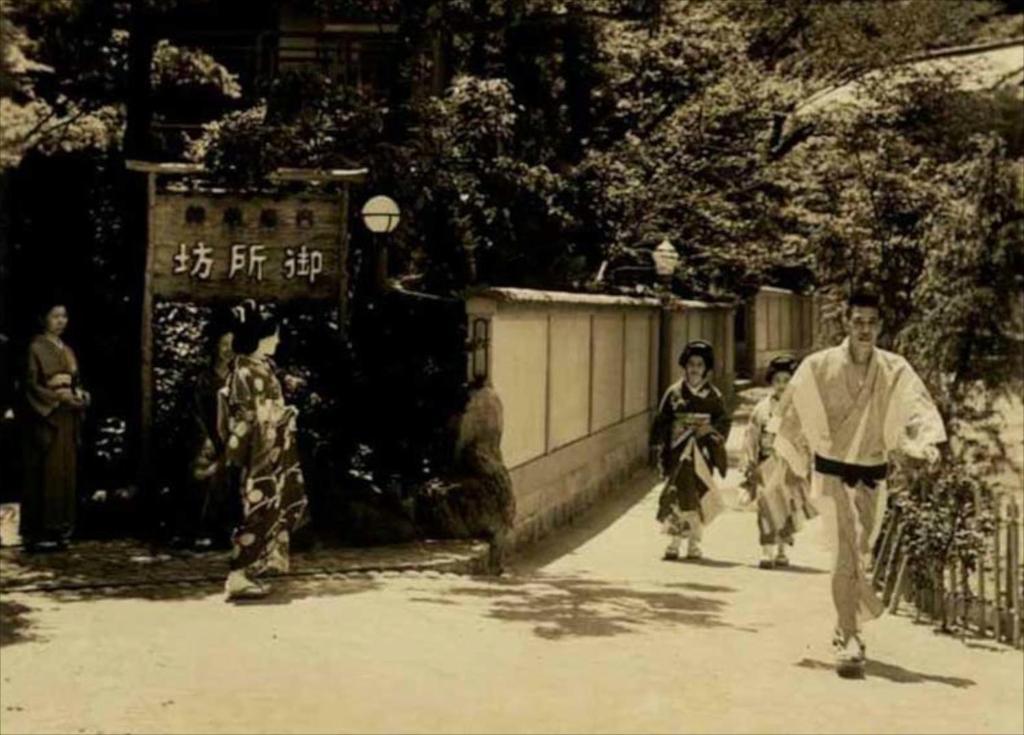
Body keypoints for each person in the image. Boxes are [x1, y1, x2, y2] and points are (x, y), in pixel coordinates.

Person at [768, 286, 945, 677]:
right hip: (831, 474)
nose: (864, 329)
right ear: (845, 322)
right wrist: (789, 460)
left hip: (872, 477)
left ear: (879, 325)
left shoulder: (895, 369)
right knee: (846, 553)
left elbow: (918, 409)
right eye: (857, 321)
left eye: (871, 322)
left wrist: (926, 444)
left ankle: (845, 623)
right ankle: (849, 639)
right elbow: (790, 415)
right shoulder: (819, 366)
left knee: (860, 555)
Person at [220, 301, 309, 600]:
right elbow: (249, 416)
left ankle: (251, 568)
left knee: (271, 506)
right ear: (260, 336)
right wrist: (281, 416)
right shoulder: (246, 371)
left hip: (269, 450)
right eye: (274, 335)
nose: (278, 340)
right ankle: (238, 574)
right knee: (258, 508)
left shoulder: (258, 367)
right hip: (258, 454)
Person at [650, 340, 732, 561]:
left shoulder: (714, 396)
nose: (695, 368)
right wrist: (665, 437)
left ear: (706, 369)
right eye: (691, 364)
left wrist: (710, 430)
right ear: (685, 366)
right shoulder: (674, 393)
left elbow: (723, 421)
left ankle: (694, 543)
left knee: (697, 496)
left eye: (700, 364)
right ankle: (674, 542)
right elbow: (662, 419)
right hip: (678, 454)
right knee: (676, 495)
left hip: (702, 454)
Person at [20, 300, 90, 552]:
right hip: (47, 416)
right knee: (45, 471)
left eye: (64, 316)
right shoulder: (35, 347)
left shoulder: (68, 350)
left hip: (68, 413)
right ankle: (39, 531)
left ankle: (62, 527)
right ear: (44, 319)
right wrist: (54, 398)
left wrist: (80, 395)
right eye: (55, 316)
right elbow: (30, 384)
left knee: (65, 471)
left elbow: (76, 381)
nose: (61, 321)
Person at [743, 355, 816, 569]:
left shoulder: (800, 409)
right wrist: (749, 460)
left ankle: (782, 548)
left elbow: (807, 439)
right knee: (765, 507)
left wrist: (806, 461)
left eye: (786, 380)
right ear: (771, 382)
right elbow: (751, 435)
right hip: (766, 463)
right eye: (777, 381)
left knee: (786, 508)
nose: (782, 385)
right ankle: (767, 550)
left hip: (789, 465)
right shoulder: (761, 409)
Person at [183, 316, 239, 550]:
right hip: (208, 438)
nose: (227, 350)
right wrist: (205, 439)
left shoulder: (240, 377)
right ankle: (202, 529)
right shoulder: (204, 378)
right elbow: (194, 412)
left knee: (236, 476)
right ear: (216, 346)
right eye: (224, 344)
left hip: (236, 437)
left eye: (232, 345)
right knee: (207, 474)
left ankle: (228, 530)